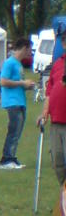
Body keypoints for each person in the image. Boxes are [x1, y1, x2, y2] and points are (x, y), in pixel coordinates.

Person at [0, 37, 37, 170]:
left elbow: (18, 83)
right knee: (13, 131)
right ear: (24, 48)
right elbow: (3, 81)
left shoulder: (19, 64)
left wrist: (28, 86)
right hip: (12, 102)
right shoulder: (9, 63)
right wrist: (22, 83)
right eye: (29, 50)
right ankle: (6, 160)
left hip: (20, 101)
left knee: (17, 132)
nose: (30, 53)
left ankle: (12, 158)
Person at [39, 46, 66, 185]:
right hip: (56, 121)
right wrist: (45, 112)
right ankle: (64, 197)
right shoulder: (58, 63)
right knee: (58, 162)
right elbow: (49, 92)